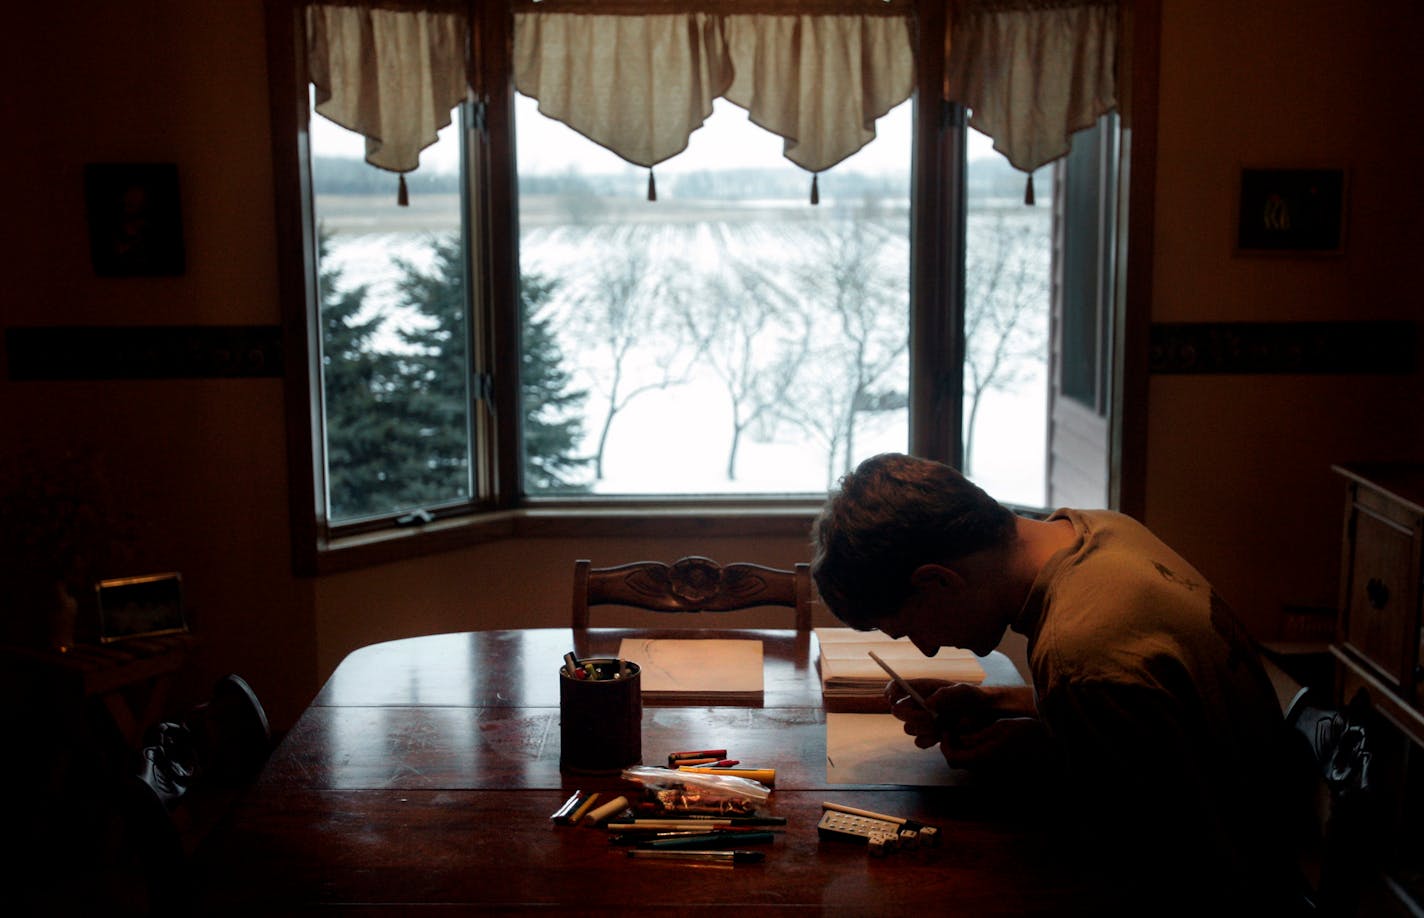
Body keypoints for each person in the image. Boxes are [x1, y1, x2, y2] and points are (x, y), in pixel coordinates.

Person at [811, 452, 1303, 912]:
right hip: (1263, 822)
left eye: (913, 629)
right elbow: (1158, 710)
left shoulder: (1080, 652)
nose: (927, 649)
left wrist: (1035, 759)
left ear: (938, 581)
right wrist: (1003, 703)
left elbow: (1131, 858)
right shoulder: (1093, 529)